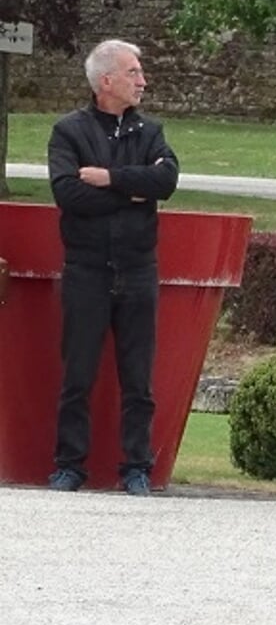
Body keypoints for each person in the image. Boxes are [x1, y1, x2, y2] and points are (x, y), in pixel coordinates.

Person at [46, 39, 179, 494]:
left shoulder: (151, 132)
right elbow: (68, 193)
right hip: (86, 270)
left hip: (139, 270)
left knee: (138, 377)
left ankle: (137, 467)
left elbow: (166, 181)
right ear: (106, 81)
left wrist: (109, 178)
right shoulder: (68, 132)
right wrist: (133, 193)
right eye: (133, 73)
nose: (142, 81)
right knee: (78, 374)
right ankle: (69, 466)